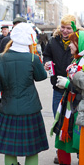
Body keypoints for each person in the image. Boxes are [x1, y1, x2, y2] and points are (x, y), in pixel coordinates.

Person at [0, 23, 49, 165]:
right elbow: (41, 77)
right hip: (30, 109)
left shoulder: (0, 58)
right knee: (32, 149)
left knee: (10, 150)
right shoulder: (32, 58)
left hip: (8, 108)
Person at [43, 14, 76, 164]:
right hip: (58, 88)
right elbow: (46, 55)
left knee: (75, 121)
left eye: (68, 28)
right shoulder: (53, 41)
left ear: (74, 28)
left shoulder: (79, 41)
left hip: (76, 90)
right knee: (59, 121)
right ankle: (60, 151)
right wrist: (48, 63)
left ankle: (78, 151)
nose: (64, 30)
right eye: (62, 27)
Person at [50, 23, 83, 165]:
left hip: (79, 109)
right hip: (69, 105)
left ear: (80, 44)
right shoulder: (76, 58)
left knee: (78, 142)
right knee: (62, 141)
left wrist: (68, 84)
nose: (69, 45)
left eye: (72, 43)